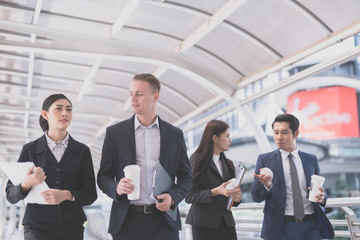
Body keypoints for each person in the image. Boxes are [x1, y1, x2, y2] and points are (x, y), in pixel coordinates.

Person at [97, 73, 193, 240]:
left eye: (139, 94)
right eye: (131, 94)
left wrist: (172, 196)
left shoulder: (174, 135)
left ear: (155, 97)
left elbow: (186, 178)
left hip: (164, 221)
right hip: (127, 222)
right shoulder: (115, 133)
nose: (133, 99)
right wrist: (116, 188)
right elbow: (103, 177)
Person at [6, 93, 97, 240]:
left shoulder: (82, 151)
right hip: (37, 227)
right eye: (59, 109)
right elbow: (10, 195)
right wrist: (26, 184)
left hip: (71, 227)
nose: (64, 113)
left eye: (69, 109)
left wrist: (67, 195)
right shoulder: (30, 149)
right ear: (45, 114)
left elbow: (90, 194)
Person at [251, 113, 334, 240]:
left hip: (312, 226)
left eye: (284, 132)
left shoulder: (311, 159)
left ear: (296, 133)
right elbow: (256, 196)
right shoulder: (265, 160)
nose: (279, 137)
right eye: (276, 132)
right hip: (281, 227)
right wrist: (266, 185)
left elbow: (321, 190)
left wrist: (322, 197)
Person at [185, 120, 242, 240]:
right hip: (203, 224)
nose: (230, 140)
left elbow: (231, 200)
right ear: (215, 138)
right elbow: (189, 196)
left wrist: (236, 198)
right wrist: (215, 191)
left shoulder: (228, 164)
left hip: (227, 223)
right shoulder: (197, 160)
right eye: (227, 136)